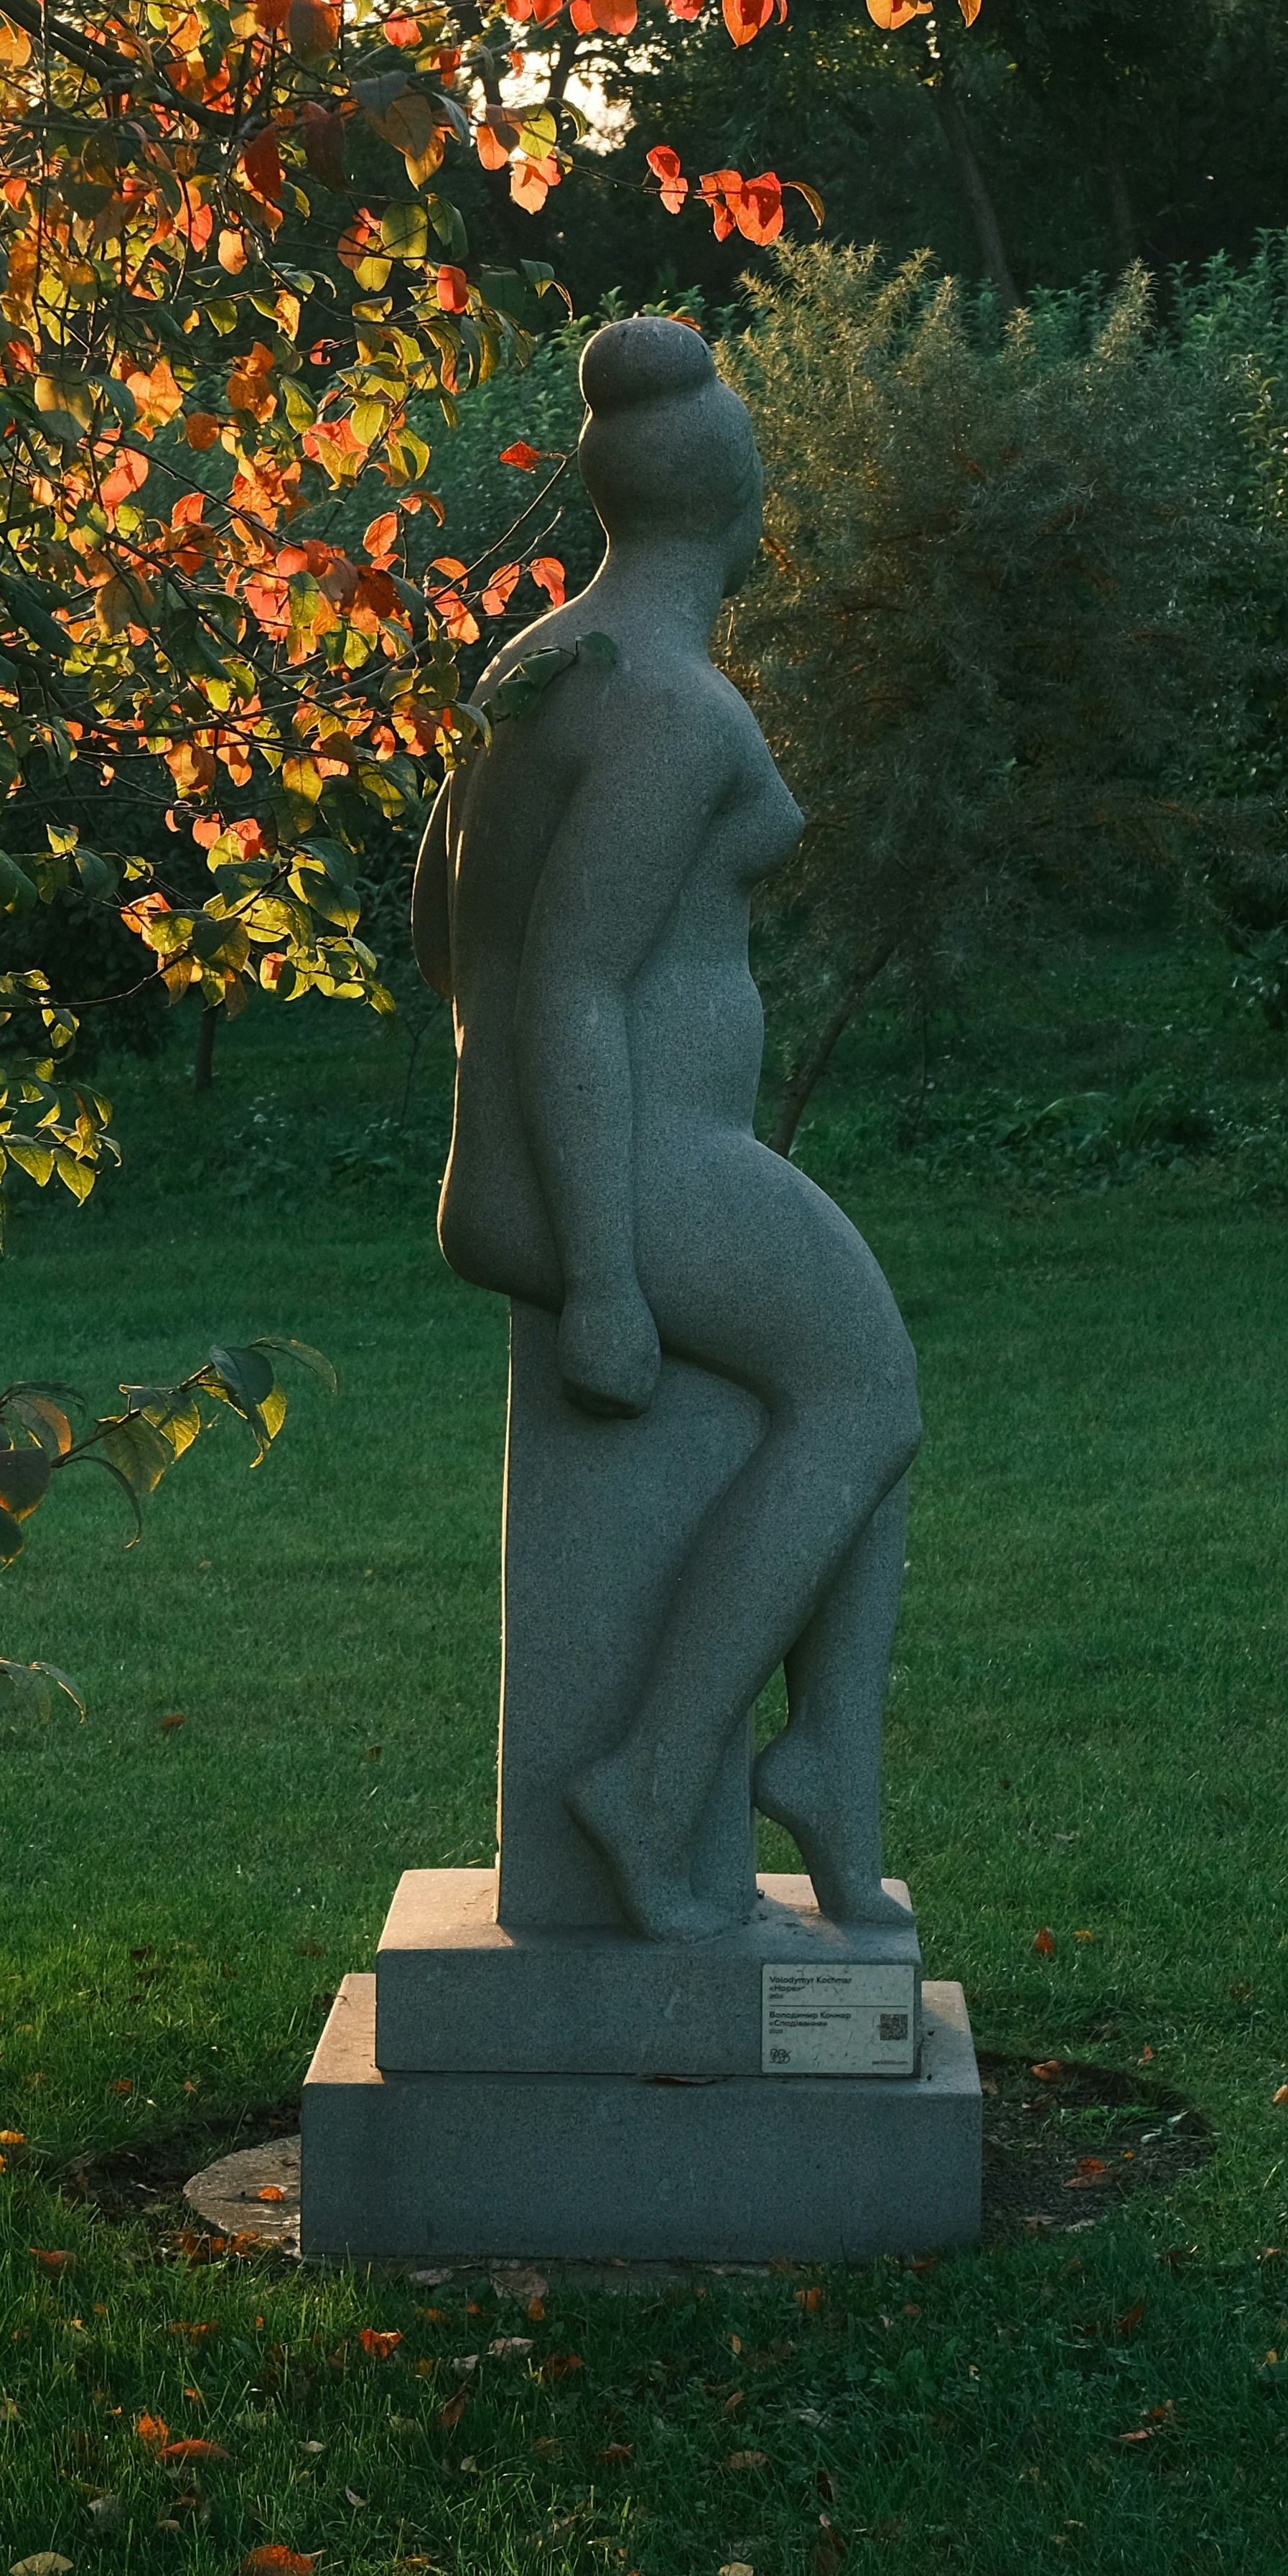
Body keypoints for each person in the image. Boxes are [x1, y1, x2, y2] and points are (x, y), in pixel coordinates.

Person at [412, 314, 918, 1939]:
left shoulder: (546, 665)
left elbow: (443, 924)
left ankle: (828, 1763)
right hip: (619, 1169)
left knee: (857, 1377)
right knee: (863, 1392)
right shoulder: (677, 711)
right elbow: (574, 979)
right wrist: (608, 1276)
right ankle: (657, 1775)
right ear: (738, 501)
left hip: (575, 1153)